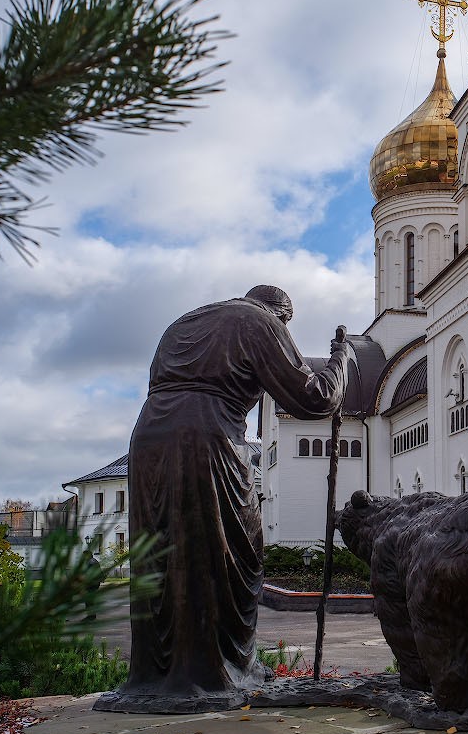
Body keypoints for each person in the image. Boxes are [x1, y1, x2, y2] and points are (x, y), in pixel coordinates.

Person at [99, 285, 350, 712]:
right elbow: (315, 398)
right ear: (281, 313)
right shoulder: (259, 321)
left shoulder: (186, 321)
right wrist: (341, 358)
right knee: (233, 550)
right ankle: (219, 672)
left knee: (163, 552)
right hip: (206, 436)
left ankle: (161, 676)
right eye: (284, 324)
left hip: (149, 439)